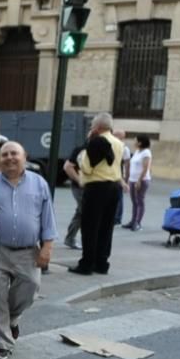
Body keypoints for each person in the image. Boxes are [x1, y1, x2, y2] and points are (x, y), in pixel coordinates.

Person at [0, 141, 55, 359]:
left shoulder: (39, 183)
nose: (10, 158)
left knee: (31, 286)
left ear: (25, 157)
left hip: (28, 251)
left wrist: (47, 247)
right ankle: (3, 342)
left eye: (15, 153)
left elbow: (47, 217)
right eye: (5, 154)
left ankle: (11, 320)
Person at [69, 113, 124, 276]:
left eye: (92, 125)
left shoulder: (96, 141)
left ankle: (86, 264)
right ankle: (101, 262)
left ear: (98, 127)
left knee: (90, 227)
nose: (91, 128)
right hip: (114, 187)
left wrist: (87, 146)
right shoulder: (118, 143)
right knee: (106, 227)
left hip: (97, 187)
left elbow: (86, 167)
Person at [123, 134, 152, 231]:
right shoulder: (137, 151)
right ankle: (133, 221)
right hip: (132, 179)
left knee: (140, 201)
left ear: (140, 142)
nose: (133, 142)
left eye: (135, 140)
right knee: (134, 202)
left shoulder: (146, 153)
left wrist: (139, 180)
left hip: (141, 180)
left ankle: (138, 222)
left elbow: (145, 168)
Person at [62, 141, 87, 250]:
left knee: (81, 212)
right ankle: (71, 238)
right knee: (84, 212)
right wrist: (79, 181)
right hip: (80, 187)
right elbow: (67, 166)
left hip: (83, 186)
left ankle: (70, 238)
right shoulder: (82, 149)